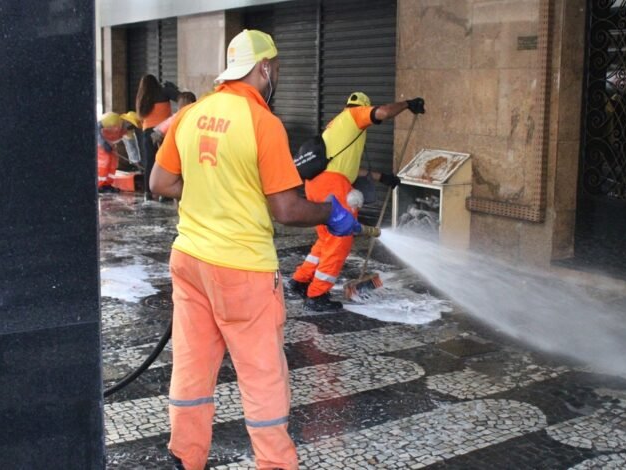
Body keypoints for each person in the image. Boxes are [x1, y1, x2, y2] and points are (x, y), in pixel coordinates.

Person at [149, 29, 360, 470]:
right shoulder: (263, 123)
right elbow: (285, 208)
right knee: (263, 376)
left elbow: (160, 183)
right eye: (276, 67)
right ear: (264, 68)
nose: (276, 74)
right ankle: (275, 464)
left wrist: (211, 189)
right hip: (242, 270)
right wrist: (330, 212)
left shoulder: (193, 113)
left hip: (190, 261)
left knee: (191, 366)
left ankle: (184, 457)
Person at [288, 91, 426, 311]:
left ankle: (300, 280)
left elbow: (350, 168)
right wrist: (408, 104)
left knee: (325, 239)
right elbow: (383, 112)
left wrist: (383, 177)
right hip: (333, 187)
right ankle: (316, 294)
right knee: (339, 241)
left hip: (316, 184)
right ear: (362, 106)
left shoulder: (337, 126)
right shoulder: (353, 115)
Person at [136, 73, 179, 201]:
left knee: (150, 162)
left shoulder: (141, 97)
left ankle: (148, 193)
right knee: (165, 162)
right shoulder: (163, 91)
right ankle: (165, 194)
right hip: (162, 132)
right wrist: (173, 88)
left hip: (147, 133)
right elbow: (181, 98)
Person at [96, 112, 138, 193]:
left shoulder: (127, 131)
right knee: (104, 162)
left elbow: (131, 146)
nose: (130, 128)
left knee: (113, 163)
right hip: (100, 143)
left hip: (110, 145)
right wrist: (103, 143)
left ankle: (107, 184)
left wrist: (135, 161)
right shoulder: (113, 119)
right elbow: (96, 129)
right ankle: (99, 185)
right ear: (126, 121)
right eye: (130, 125)